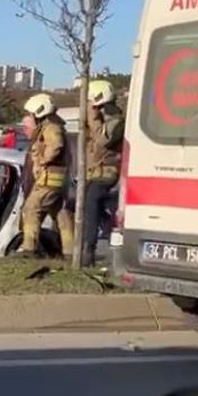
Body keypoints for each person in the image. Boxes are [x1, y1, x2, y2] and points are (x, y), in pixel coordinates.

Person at [17, 93, 74, 258]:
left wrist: (42, 160)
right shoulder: (52, 126)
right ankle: (70, 252)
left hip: (50, 179)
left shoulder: (51, 127)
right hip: (55, 180)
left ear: (39, 112)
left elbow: (56, 146)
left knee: (31, 209)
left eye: (31, 114)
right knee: (61, 215)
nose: (30, 116)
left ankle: (29, 249)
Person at [83, 80, 125, 267]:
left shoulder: (115, 120)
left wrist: (92, 116)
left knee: (92, 207)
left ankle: (88, 252)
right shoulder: (103, 118)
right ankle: (110, 252)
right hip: (96, 172)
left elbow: (102, 141)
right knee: (102, 212)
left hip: (106, 173)